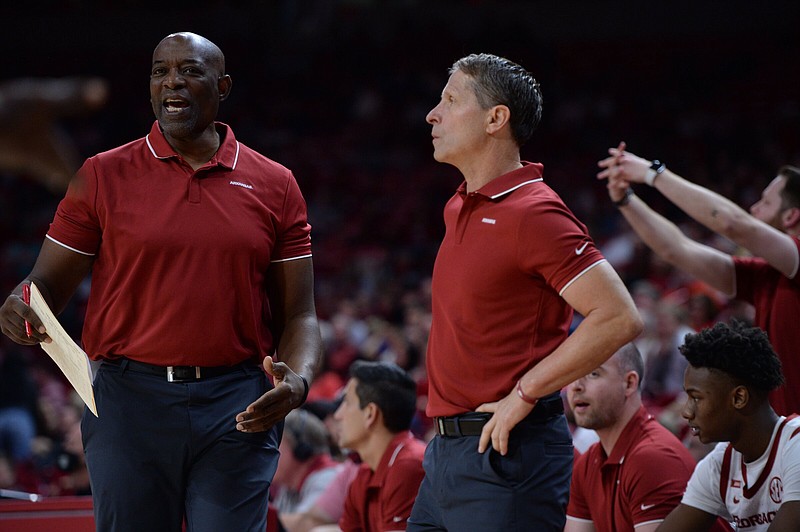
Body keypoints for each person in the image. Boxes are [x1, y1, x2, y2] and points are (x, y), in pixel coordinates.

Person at [0, 32, 322, 532]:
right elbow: (44, 285)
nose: (173, 81)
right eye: (160, 71)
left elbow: (299, 314)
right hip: (127, 402)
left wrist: (297, 382)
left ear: (224, 86)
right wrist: (20, 305)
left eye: (190, 71)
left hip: (237, 404)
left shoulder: (275, 183)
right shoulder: (101, 175)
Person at [407, 53, 643, 531]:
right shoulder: (458, 204)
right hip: (446, 453)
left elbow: (619, 315)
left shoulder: (535, 213)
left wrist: (527, 391)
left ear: (496, 119)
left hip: (507, 453)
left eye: (450, 100)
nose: (433, 114)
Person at [598, 142, 800, 415]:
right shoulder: (765, 274)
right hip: (783, 435)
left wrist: (652, 173)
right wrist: (625, 200)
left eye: (765, 202)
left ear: (791, 215)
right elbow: (677, 248)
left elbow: (733, 224)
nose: (753, 208)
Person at [658, 321, 800, 531]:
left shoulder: (795, 446)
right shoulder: (719, 463)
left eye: (695, 398)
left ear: (739, 397)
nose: (686, 412)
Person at [565, 343, 696, 532]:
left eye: (593, 373)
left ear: (629, 383)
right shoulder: (588, 464)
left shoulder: (654, 458)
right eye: (572, 374)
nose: (576, 386)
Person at [331, 360, 425, 532]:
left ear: (370, 414)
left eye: (347, 402)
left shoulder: (408, 466)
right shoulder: (365, 474)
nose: (338, 415)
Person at [272, 409, 342, 524]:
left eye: (276, 444)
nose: (269, 453)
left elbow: (303, 526)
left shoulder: (327, 479)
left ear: (301, 450)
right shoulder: (288, 487)